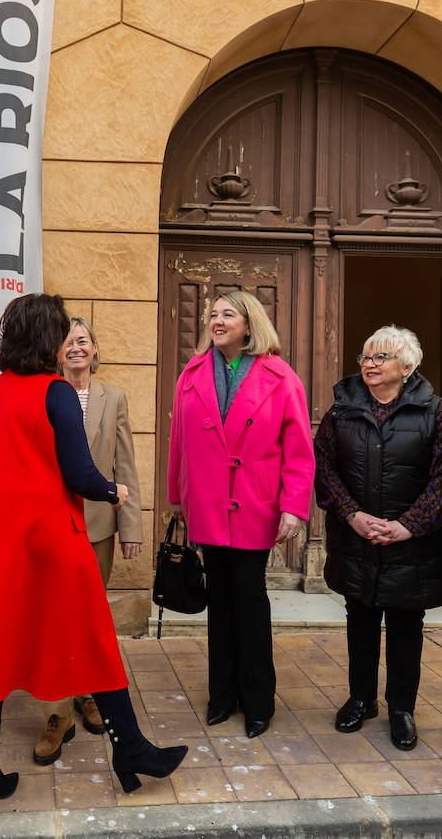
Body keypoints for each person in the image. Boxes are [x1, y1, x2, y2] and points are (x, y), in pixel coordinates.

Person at [0, 293, 186, 820]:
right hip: (53, 539)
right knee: (92, 640)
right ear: (49, 339)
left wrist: (10, 487)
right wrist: (115, 492)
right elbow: (80, 475)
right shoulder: (55, 393)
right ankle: (130, 749)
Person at [166, 290, 313, 739]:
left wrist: (294, 507)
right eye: (212, 314)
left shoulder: (280, 376)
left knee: (250, 602)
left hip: (255, 503)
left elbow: (299, 450)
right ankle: (221, 696)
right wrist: (177, 497)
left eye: (228, 313)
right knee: (219, 604)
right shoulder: (191, 373)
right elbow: (178, 442)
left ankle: (258, 702)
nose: (217, 319)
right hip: (208, 505)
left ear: (250, 325)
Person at [314, 325, 442, 751]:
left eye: (381, 357)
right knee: (359, 619)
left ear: (407, 366)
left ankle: (401, 708)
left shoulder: (435, 412)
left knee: (405, 626)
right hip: (356, 537)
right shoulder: (342, 411)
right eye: (365, 356)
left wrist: (409, 524)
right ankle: (361, 698)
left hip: (412, 542)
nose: (369, 364)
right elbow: (323, 466)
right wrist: (352, 514)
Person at [32, 317, 144, 764]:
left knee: (89, 617)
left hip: (97, 526)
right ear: (56, 352)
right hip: (50, 526)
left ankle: (88, 693)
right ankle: (57, 714)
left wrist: (131, 527)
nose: (75, 348)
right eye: (67, 342)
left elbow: (125, 465)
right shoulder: (41, 393)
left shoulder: (112, 397)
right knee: (53, 618)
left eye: (83, 340)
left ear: (95, 349)